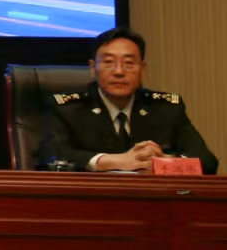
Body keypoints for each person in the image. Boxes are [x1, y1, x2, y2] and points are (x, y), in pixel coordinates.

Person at [44, 27, 217, 174]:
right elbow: (52, 157)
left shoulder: (166, 109)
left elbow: (207, 162)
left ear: (142, 69)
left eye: (129, 63)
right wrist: (113, 161)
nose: (119, 71)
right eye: (109, 62)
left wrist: (164, 162)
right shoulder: (67, 109)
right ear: (92, 68)